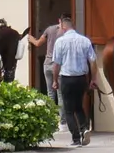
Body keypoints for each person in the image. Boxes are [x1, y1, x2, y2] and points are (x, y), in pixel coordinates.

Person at [48, 13, 95, 146]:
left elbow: (56, 64)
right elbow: (93, 61)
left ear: (63, 27)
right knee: (79, 107)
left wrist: (55, 80)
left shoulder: (60, 42)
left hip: (67, 78)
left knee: (68, 110)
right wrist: (93, 79)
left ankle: (75, 138)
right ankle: (84, 129)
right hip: (81, 78)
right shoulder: (85, 40)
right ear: (72, 25)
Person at [26, 17, 68, 95]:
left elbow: (38, 43)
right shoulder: (66, 32)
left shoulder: (49, 29)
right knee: (60, 93)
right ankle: (60, 108)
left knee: (50, 92)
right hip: (59, 64)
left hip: (48, 63)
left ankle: (51, 107)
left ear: (59, 20)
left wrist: (31, 39)